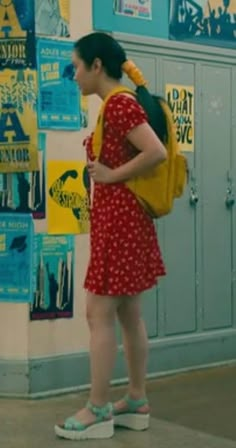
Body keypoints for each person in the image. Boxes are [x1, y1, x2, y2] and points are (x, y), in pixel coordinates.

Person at [55, 32, 167, 441]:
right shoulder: (118, 104)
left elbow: (156, 152)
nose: (75, 75)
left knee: (97, 314)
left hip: (120, 227)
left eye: (77, 67)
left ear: (96, 65)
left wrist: (110, 175)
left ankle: (98, 407)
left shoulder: (118, 106)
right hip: (126, 225)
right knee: (126, 314)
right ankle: (136, 399)